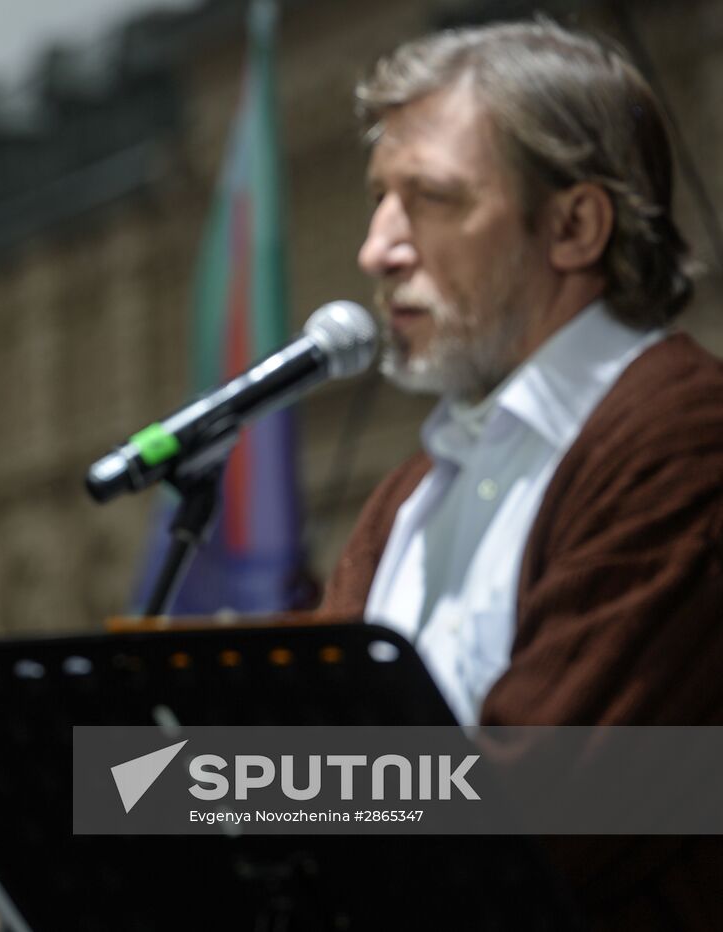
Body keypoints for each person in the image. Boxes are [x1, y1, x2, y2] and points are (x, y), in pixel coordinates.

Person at [320, 19, 723, 929]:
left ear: (576, 224)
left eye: (429, 198)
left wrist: (196, 788)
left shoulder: (683, 443)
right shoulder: (418, 487)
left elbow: (533, 808)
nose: (377, 248)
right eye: (381, 198)